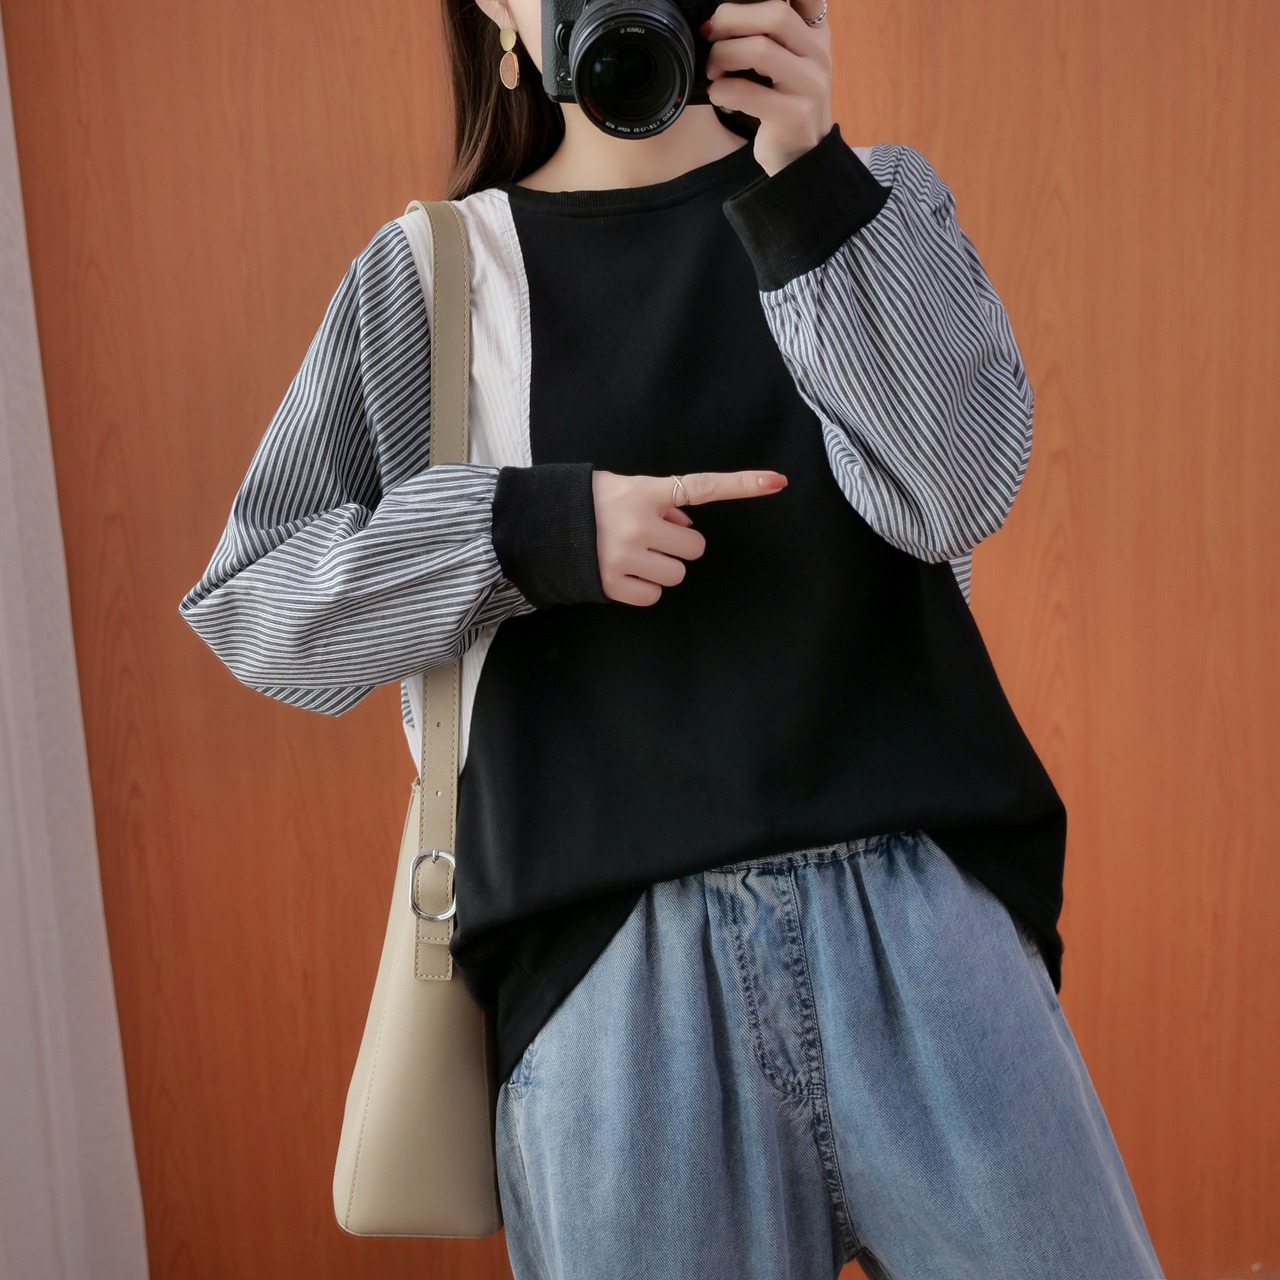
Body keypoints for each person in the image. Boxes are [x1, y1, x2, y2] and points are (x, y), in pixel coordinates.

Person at [178, 0, 1166, 1276]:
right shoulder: (435, 275)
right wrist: (525, 531)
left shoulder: (871, 202)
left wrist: (808, 181)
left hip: (922, 929)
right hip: (611, 991)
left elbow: (957, 489)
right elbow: (257, 605)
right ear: (492, 12)